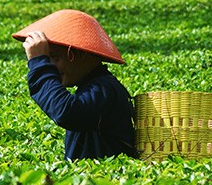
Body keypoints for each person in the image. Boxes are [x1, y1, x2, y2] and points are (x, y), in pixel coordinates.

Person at [13, 9, 137, 160]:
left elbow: (66, 112)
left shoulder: (104, 89)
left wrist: (40, 64)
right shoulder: (96, 86)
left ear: (81, 52)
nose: (52, 67)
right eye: (48, 60)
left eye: (54, 57)